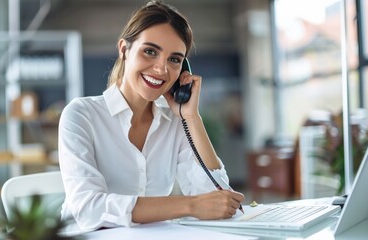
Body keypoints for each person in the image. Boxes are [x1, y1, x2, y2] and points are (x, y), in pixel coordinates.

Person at [58, 0, 245, 234]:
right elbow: (88, 208)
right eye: (150, 52)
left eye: (174, 59)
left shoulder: (176, 121)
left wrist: (191, 117)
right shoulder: (81, 115)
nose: (161, 69)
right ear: (124, 50)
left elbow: (218, 199)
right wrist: (189, 206)